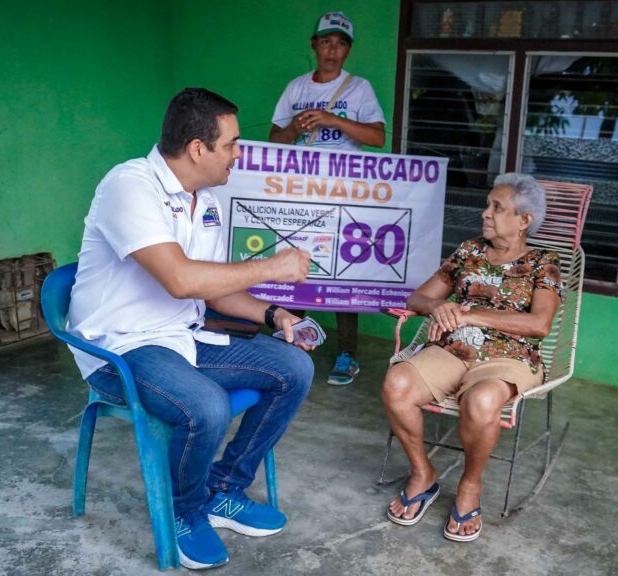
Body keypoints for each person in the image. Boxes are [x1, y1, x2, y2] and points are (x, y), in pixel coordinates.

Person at [67, 88, 316, 570]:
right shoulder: (129, 185)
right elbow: (181, 279)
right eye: (232, 144)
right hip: (120, 348)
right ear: (198, 148)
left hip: (182, 336)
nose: (239, 155)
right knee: (206, 406)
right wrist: (271, 268)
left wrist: (274, 315)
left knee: (294, 367)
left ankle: (225, 489)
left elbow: (212, 289)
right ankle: (185, 511)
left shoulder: (206, 200)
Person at [380, 173, 562, 542]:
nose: (485, 214)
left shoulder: (545, 262)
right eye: (487, 205)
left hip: (510, 356)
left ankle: (469, 485)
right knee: (396, 383)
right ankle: (422, 474)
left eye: (497, 208)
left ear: (524, 220)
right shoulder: (469, 251)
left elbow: (540, 324)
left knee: (481, 401)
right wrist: (440, 306)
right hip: (455, 349)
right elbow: (417, 299)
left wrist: (472, 314)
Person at [269, 11, 386, 386]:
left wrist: (335, 121)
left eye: (340, 44)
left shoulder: (359, 89)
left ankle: (347, 354)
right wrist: (293, 128)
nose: (332, 50)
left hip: (344, 195)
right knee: (296, 268)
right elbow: (275, 141)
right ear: (314, 45)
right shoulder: (296, 88)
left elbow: (378, 138)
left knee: (343, 276)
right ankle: (294, 341)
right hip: (300, 194)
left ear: (348, 50)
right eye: (326, 42)